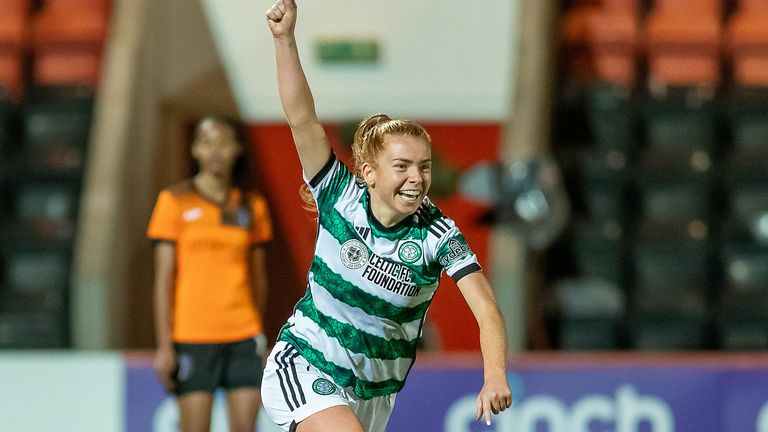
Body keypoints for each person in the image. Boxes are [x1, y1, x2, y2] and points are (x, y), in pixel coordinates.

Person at [261, 1, 513, 431]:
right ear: (369, 172)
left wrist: (495, 375)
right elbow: (302, 120)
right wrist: (284, 40)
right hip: (304, 362)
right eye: (402, 167)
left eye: (424, 166)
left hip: (374, 396)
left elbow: (486, 307)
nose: (416, 178)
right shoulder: (338, 192)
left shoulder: (438, 235)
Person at [147, 116, 273, 432]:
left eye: (224, 142)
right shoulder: (173, 201)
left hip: (244, 337)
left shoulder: (251, 206)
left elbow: (259, 278)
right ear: (195, 149)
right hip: (192, 337)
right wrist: (165, 346)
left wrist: (257, 330)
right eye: (207, 142)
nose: (215, 150)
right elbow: (164, 279)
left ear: (237, 149)